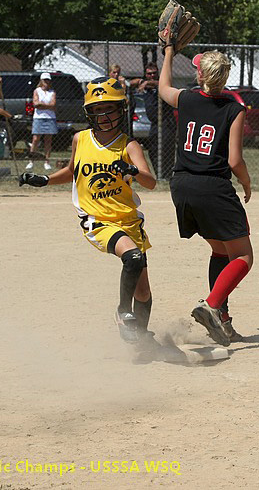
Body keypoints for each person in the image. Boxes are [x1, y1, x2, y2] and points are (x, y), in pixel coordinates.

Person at [18, 77, 157, 344]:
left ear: (122, 110)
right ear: (89, 113)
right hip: (98, 220)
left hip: (128, 220)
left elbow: (150, 182)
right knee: (134, 258)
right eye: (97, 110)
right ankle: (122, 312)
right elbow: (73, 171)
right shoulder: (80, 140)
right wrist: (46, 180)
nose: (104, 116)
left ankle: (140, 339)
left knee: (143, 290)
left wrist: (132, 170)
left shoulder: (129, 145)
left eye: (111, 109)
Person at [159, 48, 253, 347]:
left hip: (182, 184)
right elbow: (235, 160)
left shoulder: (186, 99)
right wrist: (247, 184)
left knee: (220, 251)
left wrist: (169, 52)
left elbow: (163, 88)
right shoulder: (234, 108)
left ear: (200, 75)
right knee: (243, 256)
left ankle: (222, 320)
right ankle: (212, 306)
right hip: (213, 187)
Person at [132, 62, 176, 179]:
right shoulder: (147, 88)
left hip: (167, 124)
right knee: (152, 151)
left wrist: (147, 82)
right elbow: (130, 83)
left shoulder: (163, 84)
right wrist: (141, 82)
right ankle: (159, 175)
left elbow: (162, 84)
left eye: (154, 73)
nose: (151, 76)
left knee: (167, 151)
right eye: (149, 74)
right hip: (154, 125)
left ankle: (166, 176)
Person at [26, 73, 56, 171]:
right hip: (38, 118)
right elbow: (35, 103)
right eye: (45, 80)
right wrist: (47, 105)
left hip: (50, 118)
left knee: (48, 140)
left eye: (48, 80)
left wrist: (42, 105)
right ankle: (31, 160)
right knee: (35, 139)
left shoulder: (52, 92)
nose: (46, 82)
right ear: (41, 81)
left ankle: (47, 162)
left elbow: (53, 104)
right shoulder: (37, 91)